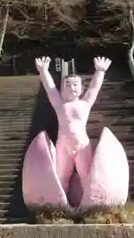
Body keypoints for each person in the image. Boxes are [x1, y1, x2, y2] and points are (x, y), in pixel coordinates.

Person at [34, 56, 111, 193]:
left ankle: (87, 203)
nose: (71, 88)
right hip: (63, 145)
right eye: (67, 85)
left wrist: (100, 71)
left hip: (82, 144)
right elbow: (50, 89)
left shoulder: (85, 103)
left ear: (82, 89)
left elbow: (93, 89)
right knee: (61, 176)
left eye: (75, 84)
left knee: (86, 175)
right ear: (62, 90)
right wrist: (44, 71)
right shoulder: (60, 104)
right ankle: (61, 205)